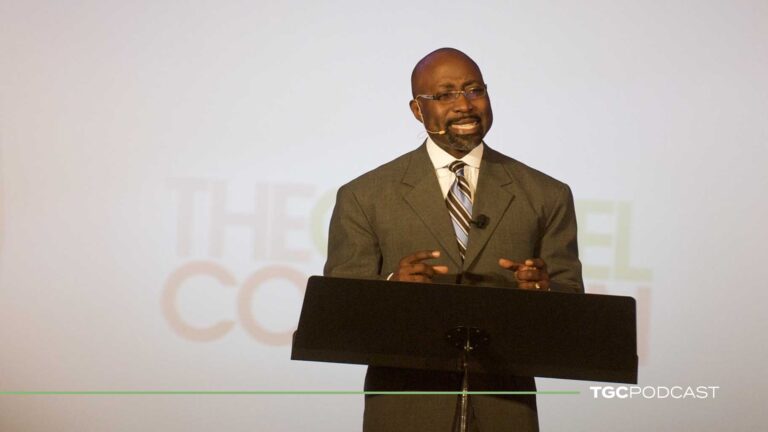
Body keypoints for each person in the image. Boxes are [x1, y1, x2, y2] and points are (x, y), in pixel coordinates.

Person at [323, 48, 584, 432]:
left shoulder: (547, 195)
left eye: (475, 90)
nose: (464, 105)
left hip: (506, 412)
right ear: (417, 110)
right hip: (403, 413)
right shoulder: (364, 196)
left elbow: (572, 304)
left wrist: (544, 293)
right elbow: (339, 311)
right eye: (445, 95)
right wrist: (392, 287)